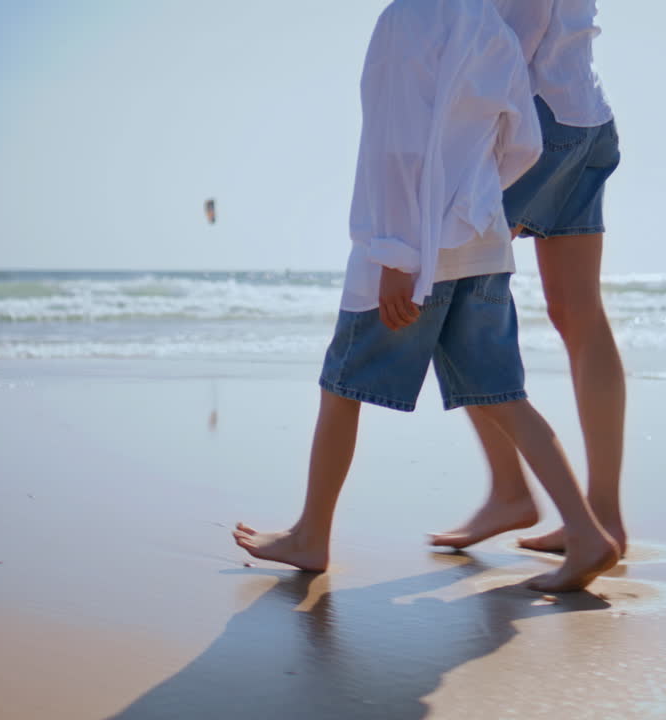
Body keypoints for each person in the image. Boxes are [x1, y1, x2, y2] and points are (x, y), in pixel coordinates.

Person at [233, 0, 620, 592]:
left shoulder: (406, 21)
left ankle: (313, 532)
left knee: (342, 386)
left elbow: (394, 145)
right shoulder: (485, 24)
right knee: (508, 388)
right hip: (506, 211)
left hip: (416, 247)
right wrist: (479, 208)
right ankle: (589, 526)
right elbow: (520, 141)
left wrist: (395, 251)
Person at [430, 0, 628, 555]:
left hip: (534, 118)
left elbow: (509, 35)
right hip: (587, 113)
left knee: (451, 291)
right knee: (580, 314)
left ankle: (510, 490)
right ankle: (603, 515)